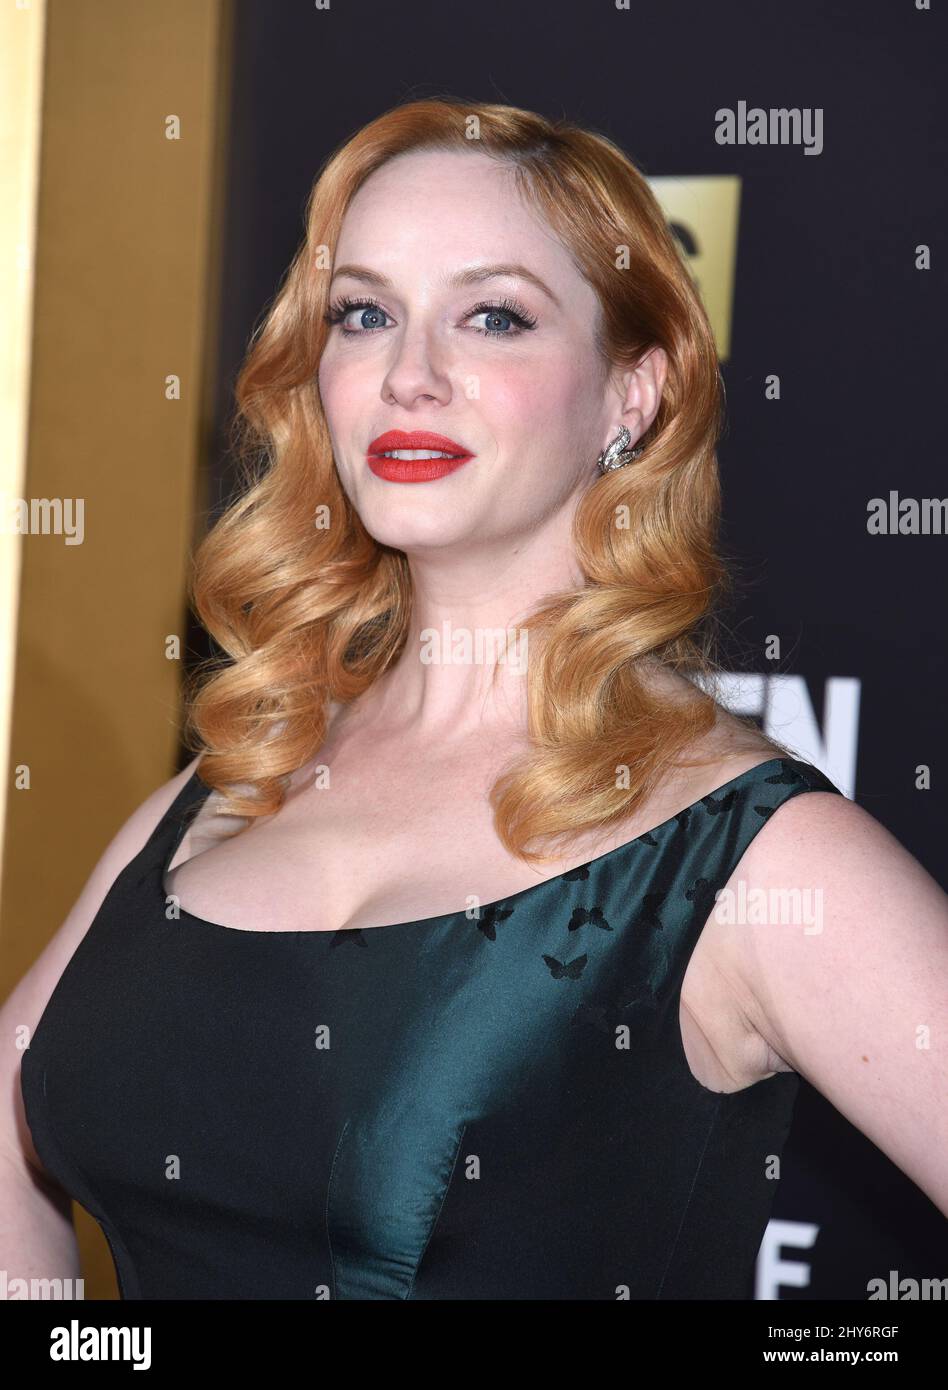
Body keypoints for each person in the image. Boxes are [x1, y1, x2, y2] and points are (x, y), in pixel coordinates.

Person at [4, 99, 946, 1301]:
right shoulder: (238, 775)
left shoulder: (752, 855)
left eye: (493, 316)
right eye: (366, 314)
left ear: (633, 394)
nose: (410, 374)